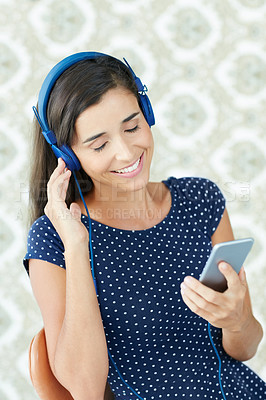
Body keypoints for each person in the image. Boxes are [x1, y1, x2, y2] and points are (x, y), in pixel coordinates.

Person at [23, 52, 266, 400]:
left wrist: (237, 321)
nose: (126, 152)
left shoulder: (201, 200)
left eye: (132, 126)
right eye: (100, 144)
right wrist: (77, 246)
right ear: (68, 156)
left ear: (147, 114)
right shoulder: (54, 237)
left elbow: (246, 348)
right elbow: (86, 389)